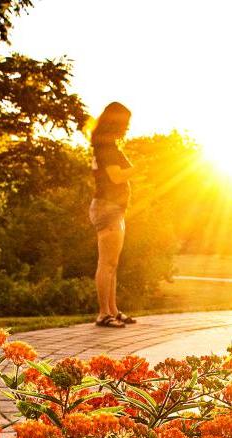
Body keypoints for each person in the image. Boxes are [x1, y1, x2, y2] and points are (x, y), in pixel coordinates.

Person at [87, 102, 137, 328]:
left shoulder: (107, 146)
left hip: (114, 208)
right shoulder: (105, 147)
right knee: (106, 263)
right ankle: (103, 314)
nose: (127, 127)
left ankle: (113, 310)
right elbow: (116, 177)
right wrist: (141, 168)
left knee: (112, 263)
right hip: (107, 208)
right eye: (125, 123)